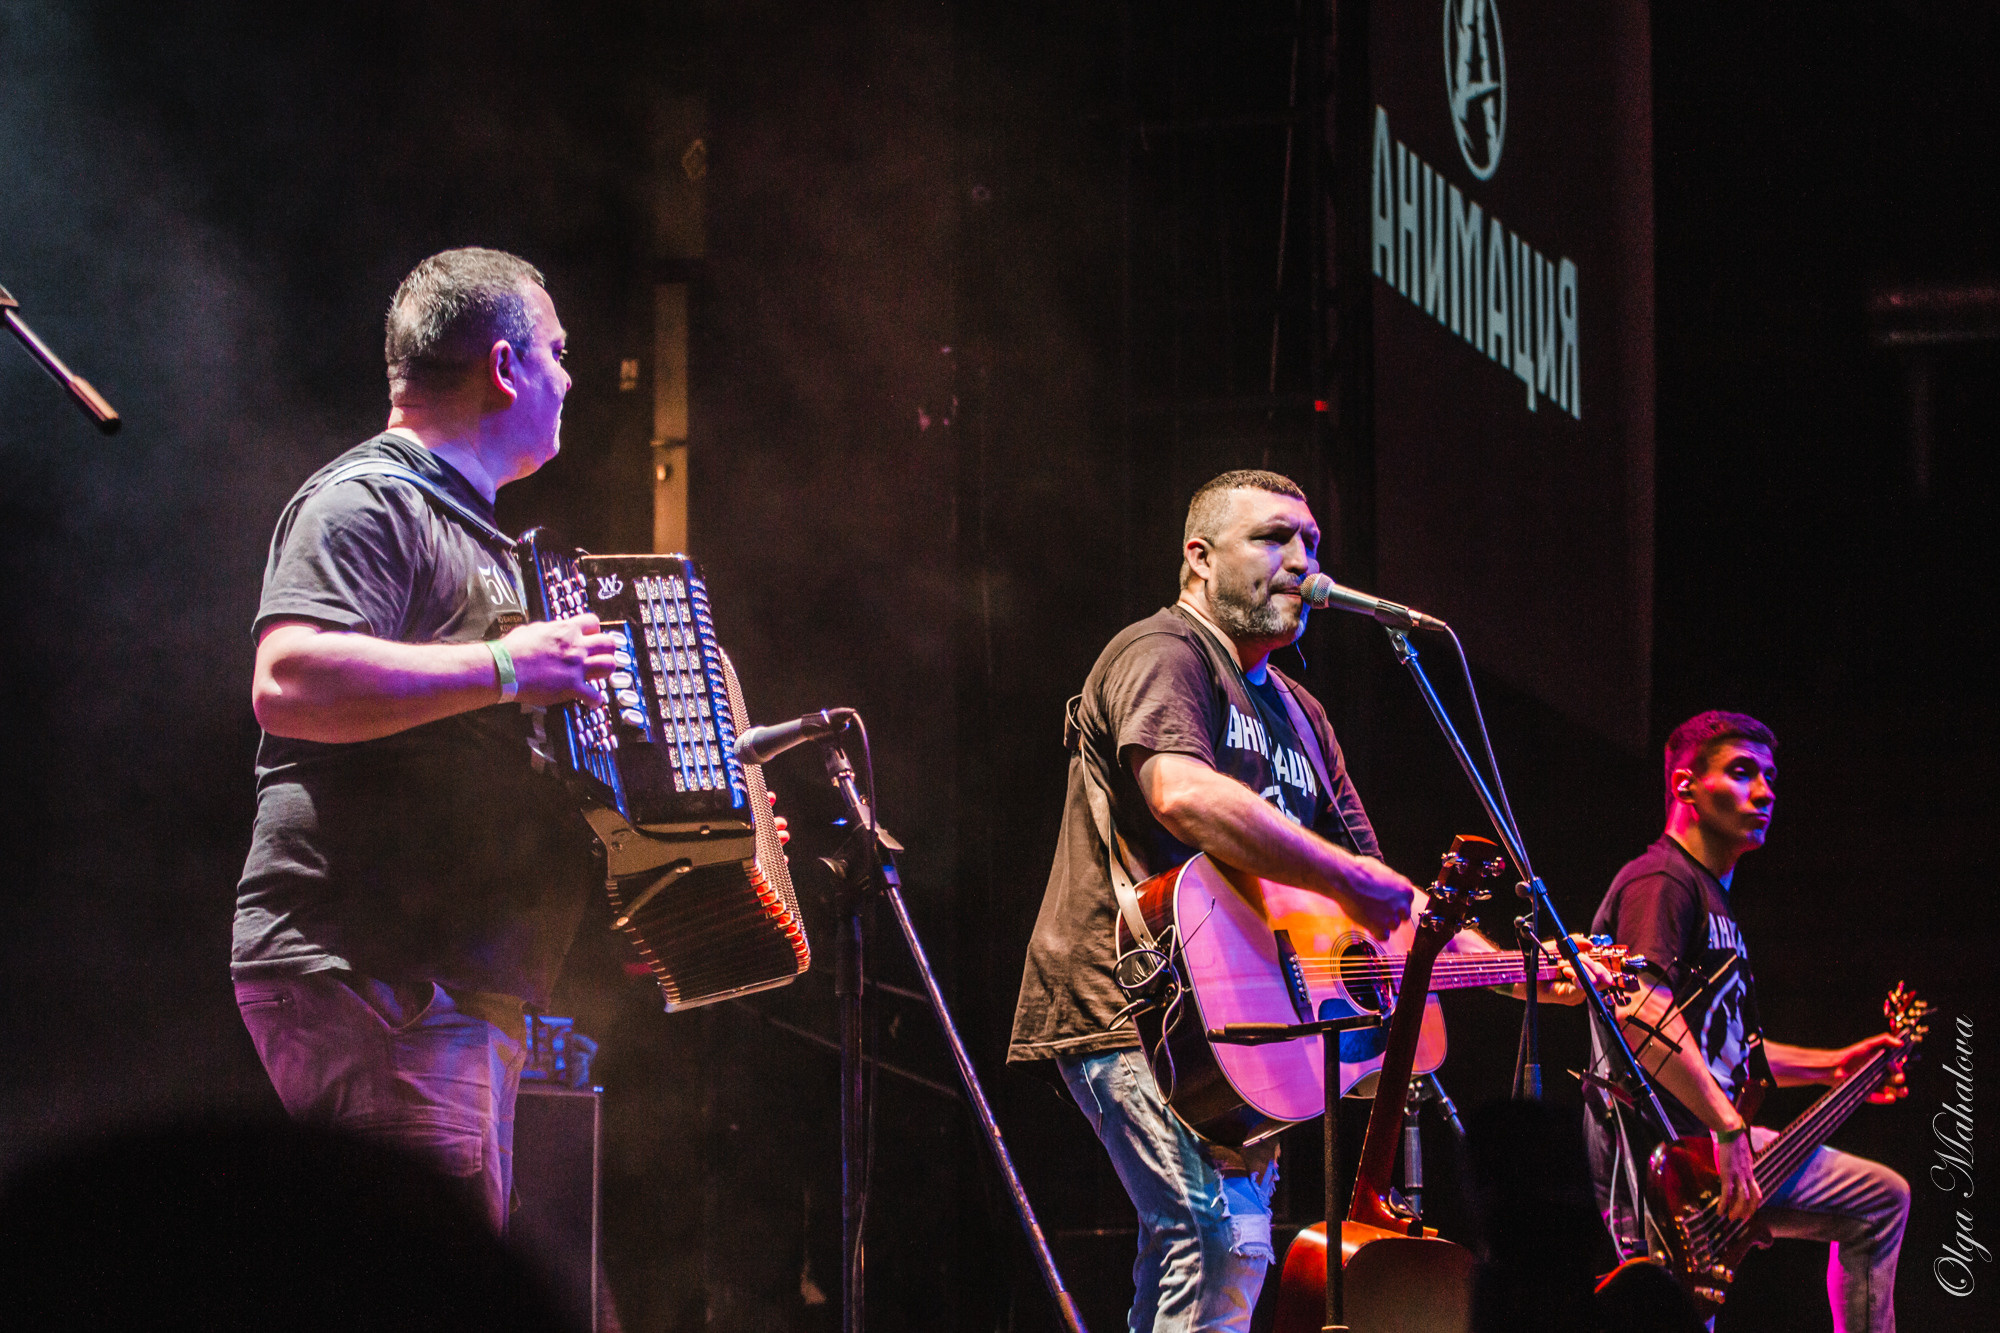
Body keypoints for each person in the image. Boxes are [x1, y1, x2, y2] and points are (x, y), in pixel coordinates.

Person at [1008, 470, 1599, 1333]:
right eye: (1273, 537)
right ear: (1199, 557)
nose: (1301, 560)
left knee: (1206, 1253)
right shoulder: (1163, 651)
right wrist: (1345, 878)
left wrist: (1516, 970)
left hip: (1243, 1028)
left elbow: (1389, 903)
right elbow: (1181, 792)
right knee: (1217, 1241)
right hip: (1133, 1004)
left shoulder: (1303, 713)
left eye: (1311, 543)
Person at [233, 247, 618, 1231]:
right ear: (505, 367)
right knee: (417, 1286)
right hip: (383, 972)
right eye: (558, 352)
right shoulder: (368, 499)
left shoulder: (477, 534)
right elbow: (287, 679)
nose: (570, 377)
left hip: (437, 980)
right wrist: (507, 667)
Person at [1585, 710, 1910, 1332]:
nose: (1764, 792)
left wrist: (1830, 1067)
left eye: (1769, 777)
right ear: (1684, 786)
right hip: (1663, 1163)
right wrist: (1729, 1126)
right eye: (1741, 772)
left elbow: (1718, 1046)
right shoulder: (1662, 880)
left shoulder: (1713, 895)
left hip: (1710, 1147)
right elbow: (1640, 1011)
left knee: (1880, 1200)